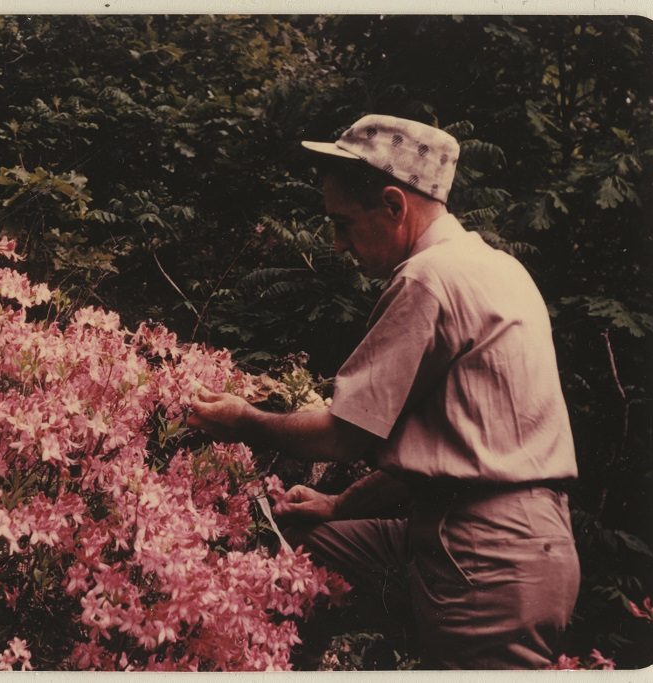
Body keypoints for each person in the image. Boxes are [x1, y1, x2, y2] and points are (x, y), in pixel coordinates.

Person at [188, 114, 580, 669]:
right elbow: (449, 451)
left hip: (486, 556)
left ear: (395, 205)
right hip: (517, 539)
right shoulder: (499, 268)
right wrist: (339, 505)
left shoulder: (427, 278)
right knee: (305, 548)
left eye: (344, 223)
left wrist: (244, 420)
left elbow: (345, 434)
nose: (338, 243)